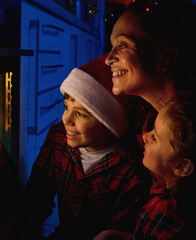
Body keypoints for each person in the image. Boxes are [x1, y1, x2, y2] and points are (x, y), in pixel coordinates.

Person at [19, 54, 153, 240]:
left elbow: (117, 231)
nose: (66, 119)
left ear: (109, 126)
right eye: (66, 107)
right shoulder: (58, 137)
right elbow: (38, 194)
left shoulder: (130, 168)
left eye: (80, 114)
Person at [93, 98, 196, 240]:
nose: (145, 136)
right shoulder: (163, 186)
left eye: (155, 138)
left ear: (181, 167)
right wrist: (110, 234)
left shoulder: (167, 213)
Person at [104, 0, 196, 139]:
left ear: (168, 54)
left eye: (123, 45)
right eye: (112, 47)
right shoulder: (145, 127)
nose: (108, 59)